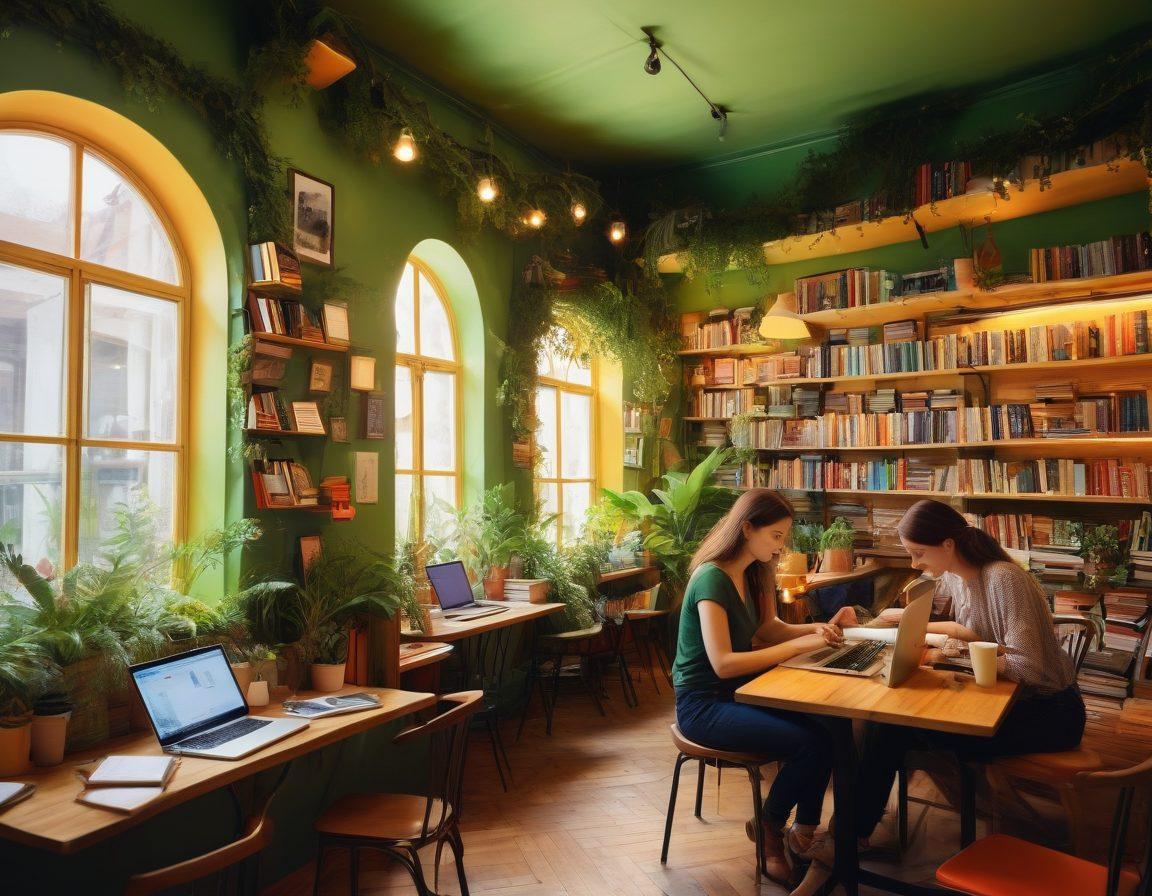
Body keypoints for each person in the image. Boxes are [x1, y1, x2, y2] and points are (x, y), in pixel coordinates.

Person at [790, 498, 1084, 896]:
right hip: (1016, 700)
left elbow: (1030, 667)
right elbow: (972, 630)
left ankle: (843, 843)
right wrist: (895, 621)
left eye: (918, 553)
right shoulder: (960, 577)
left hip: (1050, 712)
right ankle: (849, 837)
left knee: (888, 730)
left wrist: (948, 655)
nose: (914, 564)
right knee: (885, 727)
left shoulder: (1003, 579)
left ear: (948, 544)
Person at [673, 488, 854, 885]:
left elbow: (769, 629)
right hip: (702, 704)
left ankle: (803, 832)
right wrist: (800, 646)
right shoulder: (711, 578)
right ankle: (770, 828)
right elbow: (722, 664)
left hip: (740, 691)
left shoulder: (755, 571)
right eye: (775, 536)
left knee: (831, 728)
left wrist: (819, 629)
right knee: (811, 744)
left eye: (782, 537)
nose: (780, 546)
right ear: (746, 528)